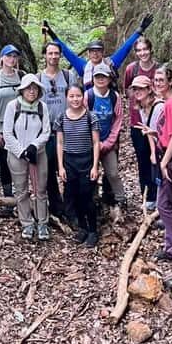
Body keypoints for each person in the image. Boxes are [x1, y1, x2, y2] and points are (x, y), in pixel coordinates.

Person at [1, 73, 52, 240]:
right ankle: (27, 223)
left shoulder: (42, 107)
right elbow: (7, 133)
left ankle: (42, 222)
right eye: (29, 88)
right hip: (17, 155)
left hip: (38, 154)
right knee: (21, 190)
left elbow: (46, 132)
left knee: (40, 189)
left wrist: (33, 146)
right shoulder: (12, 106)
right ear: (22, 90)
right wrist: (21, 151)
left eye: (35, 88)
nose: (32, 91)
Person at [42, 14, 153, 89]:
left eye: (98, 51)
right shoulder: (84, 67)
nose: (95, 53)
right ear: (88, 53)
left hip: (108, 109)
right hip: (89, 109)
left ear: (103, 52)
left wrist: (140, 30)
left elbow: (125, 48)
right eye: (92, 51)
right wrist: (52, 34)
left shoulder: (110, 64)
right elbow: (66, 51)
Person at [56, 83, 101, 247]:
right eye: (72, 96)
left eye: (78, 96)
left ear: (83, 97)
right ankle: (82, 228)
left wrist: (95, 166)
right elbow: (60, 143)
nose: (75, 99)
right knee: (73, 196)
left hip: (87, 160)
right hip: (69, 161)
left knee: (87, 197)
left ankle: (93, 231)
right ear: (66, 98)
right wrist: (60, 166)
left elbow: (96, 142)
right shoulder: (61, 118)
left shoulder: (91, 117)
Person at [36, 42, 76, 221]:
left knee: (69, 169)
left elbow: (77, 100)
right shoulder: (38, 78)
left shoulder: (68, 76)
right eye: (50, 53)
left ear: (60, 55)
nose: (53, 57)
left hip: (68, 130)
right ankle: (56, 207)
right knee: (49, 171)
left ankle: (71, 206)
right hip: (47, 132)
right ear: (45, 55)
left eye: (56, 53)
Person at [85, 64, 126, 219]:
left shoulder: (114, 97)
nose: (101, 79)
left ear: (109, 78)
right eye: (97, 76)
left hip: (108, 142)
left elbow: (118, 121)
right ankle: (94, 202)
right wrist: (92, 142)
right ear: (93, 78)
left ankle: (120, 200)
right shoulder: (88, 96)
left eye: (104, 76)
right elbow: (83, 119)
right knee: (91, 173)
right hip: (90, 143)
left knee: (113, 173)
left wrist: (108, 142)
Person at [123, 38, 160, 211]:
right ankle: (146, 195)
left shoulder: (158, 69)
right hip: (137, 122)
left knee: (157, 159)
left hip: (155, 121)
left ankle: (158, 195)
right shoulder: (132, 69)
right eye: (139, 50)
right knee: (143, 159)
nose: (142, 53)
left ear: (151, 50)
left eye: (145, 49)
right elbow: (127, 90)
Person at [154, 68, 172, 264]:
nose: (157, 83)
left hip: (171, 159)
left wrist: (164, 162)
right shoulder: (168, 103)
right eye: (155, 80)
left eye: (161, 80)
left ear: (171, 82)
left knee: (163, 204)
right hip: (167, 155)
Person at [0, 44, 24, 199]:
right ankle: (9, 197)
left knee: (21, 161)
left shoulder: (22, 76)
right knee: (5, 163)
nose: (11, 59)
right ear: (2, 58)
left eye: (14, 56)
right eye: (8, 56)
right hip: (2, 127)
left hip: (21, 127)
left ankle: (22, 194)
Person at [130, 74, 164, 215]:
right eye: (135, 89)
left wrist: (157, 152)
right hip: (156, 144)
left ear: (149, 89)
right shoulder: (142, 108)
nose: (138, 91)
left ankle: (164, 206)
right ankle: (155, 200)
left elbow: (162, 131)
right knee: (153, 169)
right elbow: (149, 130)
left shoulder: (158, 107)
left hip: (165, 145)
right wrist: (152, 152)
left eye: (141, 88)